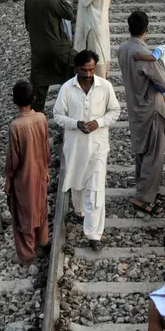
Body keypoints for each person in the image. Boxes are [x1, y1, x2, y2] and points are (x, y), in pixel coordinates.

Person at [52, 50, 121, 252]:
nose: (89, 74)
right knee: (77, 183)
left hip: (98, 147)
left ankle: (94, 234)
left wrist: (98, 122)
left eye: (92, 69)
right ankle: (80, 211)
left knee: (96, 189)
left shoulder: (105, 87)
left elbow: (115, 111)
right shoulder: (67, 89)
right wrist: (76, 123)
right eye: (85, 70)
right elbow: (57, 115)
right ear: (76, 69)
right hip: (75, 147)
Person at [118, 11, 165, 215]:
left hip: (134, 105)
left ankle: (143, 188)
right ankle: (143, 197)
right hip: (150, 107)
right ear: (146, 29)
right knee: (154, 154)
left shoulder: (123, 49)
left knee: (142, 151)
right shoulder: (144, 55)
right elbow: (164, 82)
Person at [5, 81, 50, 265]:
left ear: (15, 100)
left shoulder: (16, 126)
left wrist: (8, 179)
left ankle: (27, 254)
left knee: (23, 215)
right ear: (34, 98)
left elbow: (12, 159)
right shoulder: (41, 118)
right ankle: (42, 242)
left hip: (23, 178)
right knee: (40, 208)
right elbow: (47, 148)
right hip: (40, 172)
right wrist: (46, 169)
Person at [24, 0, 75, 109]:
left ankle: (37, 119)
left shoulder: (28, 0)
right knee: (79, 69)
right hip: (58, 50)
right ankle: (73, 108)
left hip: (38, 52)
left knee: (38, 90)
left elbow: (28, 26)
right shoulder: (51, 0)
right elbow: (69, 14)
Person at [74, 0, 112, 78]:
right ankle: (104, 73)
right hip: (102, 20)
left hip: (93, 23)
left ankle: (98, 77)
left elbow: (85, 1)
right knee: (103, 47)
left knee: (96, 50)